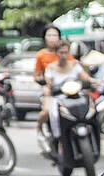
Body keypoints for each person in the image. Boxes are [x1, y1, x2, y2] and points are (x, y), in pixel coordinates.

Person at [44, 40, 99, 144]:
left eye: (66, 52)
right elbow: (48, 82)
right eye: (61, 52)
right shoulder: (51, 67)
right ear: (56, 53)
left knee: (92, 108)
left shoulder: (74, 65)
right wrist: (48, 87)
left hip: (76, 96)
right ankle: (57, 139)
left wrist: (95, 81)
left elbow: (85, 77)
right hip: (59, 97)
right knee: (54, 114)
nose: (63, 55)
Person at [34, 24, 74, 153]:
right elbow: (37, 74)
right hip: (50, 90)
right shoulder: (41, 55)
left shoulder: (65, 52)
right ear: (44, 38)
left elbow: (76, 68)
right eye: (49, 35)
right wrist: (43, 83)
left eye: (54, 35)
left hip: (68, 89)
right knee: (46, 111)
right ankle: (39, 129)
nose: (52, 38)